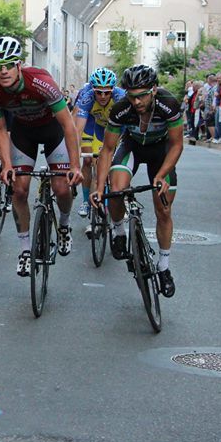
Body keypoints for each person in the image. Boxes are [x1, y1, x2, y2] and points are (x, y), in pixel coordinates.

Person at [0, 36, 82, 276]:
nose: (3, 71)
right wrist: (6, 165)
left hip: (52, 131)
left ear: (19, 65)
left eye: (8, 65)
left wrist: (76, 166)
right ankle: (25, 250)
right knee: (18, 189)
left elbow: (68, 125)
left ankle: (64, 225)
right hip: (23, 132)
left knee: (61, 188)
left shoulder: (40, 82)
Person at [91, 65, 183, 297]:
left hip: (160, 151)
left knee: (163, 210)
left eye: (142, 95)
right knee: (116, 189)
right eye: (132, 96)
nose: (137, 102)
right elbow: (108, 149)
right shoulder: (122, 108)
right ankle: (119, 231)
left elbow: (176, 144)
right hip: (132, 146)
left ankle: (164, 267)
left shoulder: (168, 103)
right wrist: (99, 187)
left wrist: (162, 175)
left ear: (153, 90)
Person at [71, 67, 124, 218]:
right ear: (92, 89)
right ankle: (86, 201)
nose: (102, 96)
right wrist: (73, 151)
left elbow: (127, 126)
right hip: (92, 126)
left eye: (107, 92)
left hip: (114, 128)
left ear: (112, 90)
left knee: (118, 162)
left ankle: (121, 197)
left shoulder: (121, 97)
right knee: (89, 160)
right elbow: (78, 128)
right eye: (98, 91)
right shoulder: (86, 96)